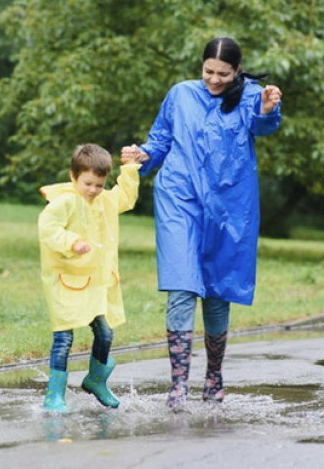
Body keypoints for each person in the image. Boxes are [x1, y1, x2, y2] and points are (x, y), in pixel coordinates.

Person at [121, 36, 282, 410]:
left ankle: (214, 375)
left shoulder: (249, 96)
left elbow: (263, 127)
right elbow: (159, 141)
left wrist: (268, 108)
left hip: (229, 205)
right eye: (208, 71)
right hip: (180, 197)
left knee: (215, 289)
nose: (213, 79)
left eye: (223, 74)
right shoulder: (180, 94)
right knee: (181, 285)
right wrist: (141, 155)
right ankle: (178, 384)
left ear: (237, 71)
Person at [38, 143, 141, 412]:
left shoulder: (105, 200)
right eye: (88, 183)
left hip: (96, 283)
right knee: (64, 338)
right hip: (66, 281)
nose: (94, 190)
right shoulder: (64, 202)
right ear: (74, 176)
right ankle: (54, 394)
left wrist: (129, 168)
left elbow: (127, 198)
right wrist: (72, 242)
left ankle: (96, 379)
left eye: (99, 184)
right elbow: (48, 229)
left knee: (105, 332)